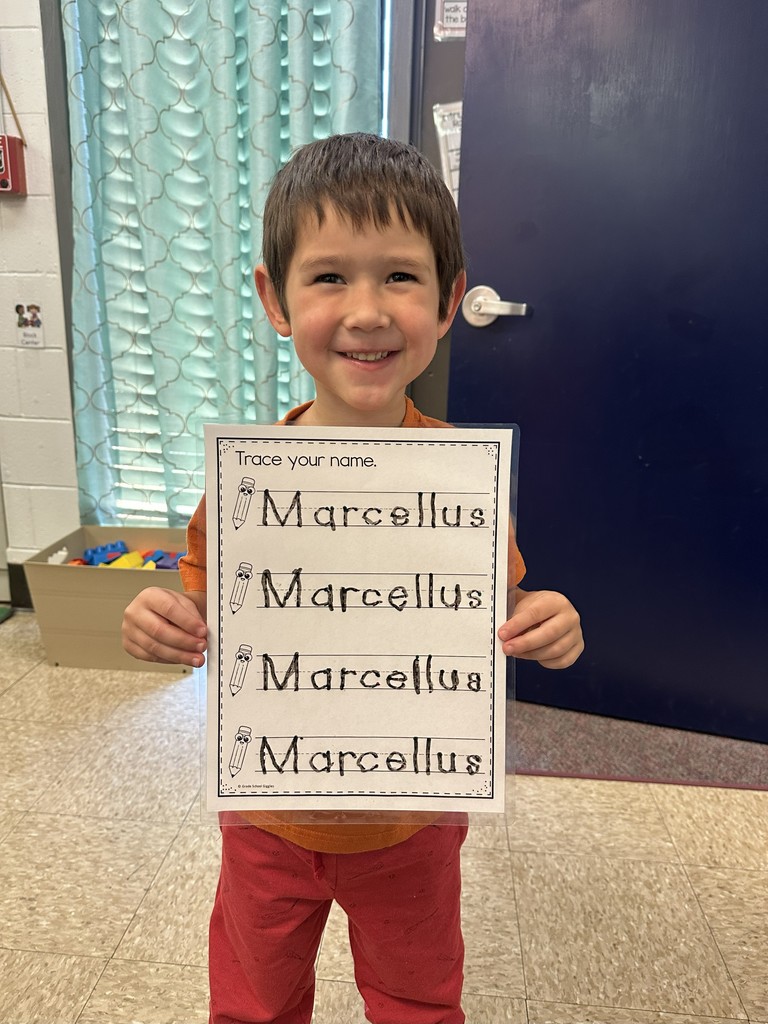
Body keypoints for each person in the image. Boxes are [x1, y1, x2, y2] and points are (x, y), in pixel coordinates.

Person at [122, 132, 584, 1024]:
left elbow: (505, 604)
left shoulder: (463, 482)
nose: (367, 311)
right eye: (330, 276)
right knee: (254, 1003)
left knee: (417, 1002)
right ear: (275, 298)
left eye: (400, 277)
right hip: (266, 822)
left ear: (450, 302)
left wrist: (545, 618)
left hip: (412, 826)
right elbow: (207, 607)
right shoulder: (248, 482)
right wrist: (162, 624)